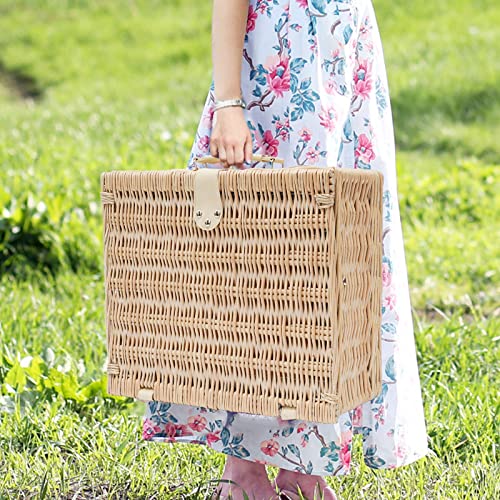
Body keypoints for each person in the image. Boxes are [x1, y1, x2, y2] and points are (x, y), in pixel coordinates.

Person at [142, 1, 431, 498]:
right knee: (255, 271)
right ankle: (243, 467)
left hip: (344, 67)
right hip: (276, 73)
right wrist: (230, 103)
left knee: (337, 271)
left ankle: (306, 459)